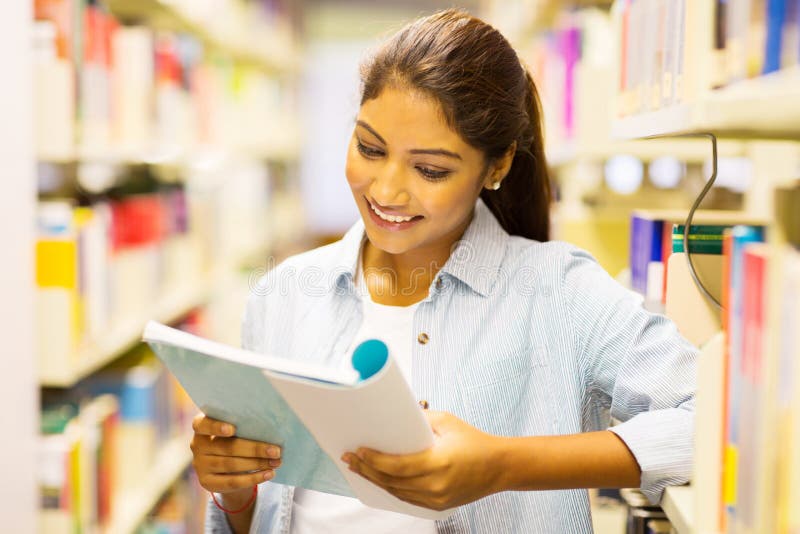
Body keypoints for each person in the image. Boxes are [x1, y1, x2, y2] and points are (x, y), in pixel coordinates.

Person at [193, 8, 696, 534]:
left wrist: (503, 466)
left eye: (431, 170)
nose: (386, 191)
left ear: (497, 166)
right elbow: (256, 518)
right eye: (369, 147)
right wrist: (234, 491)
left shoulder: (559, 291)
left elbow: (713, 420)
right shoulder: (283, 295)